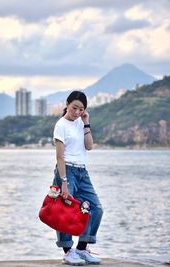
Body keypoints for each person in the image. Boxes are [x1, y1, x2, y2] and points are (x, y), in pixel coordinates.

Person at [52, 90, 103, 265]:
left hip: (83, 172)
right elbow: (59, 157)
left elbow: (89, 147)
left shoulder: (81, 123)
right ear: (67, 104)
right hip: (66, 172)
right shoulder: (61, 125)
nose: (77, 112)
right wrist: (64, 182)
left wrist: (86, 123)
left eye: (81, 109)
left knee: (96, 208)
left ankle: (81, 249)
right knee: (65, 211)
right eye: (74, 107)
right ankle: (68, 252)